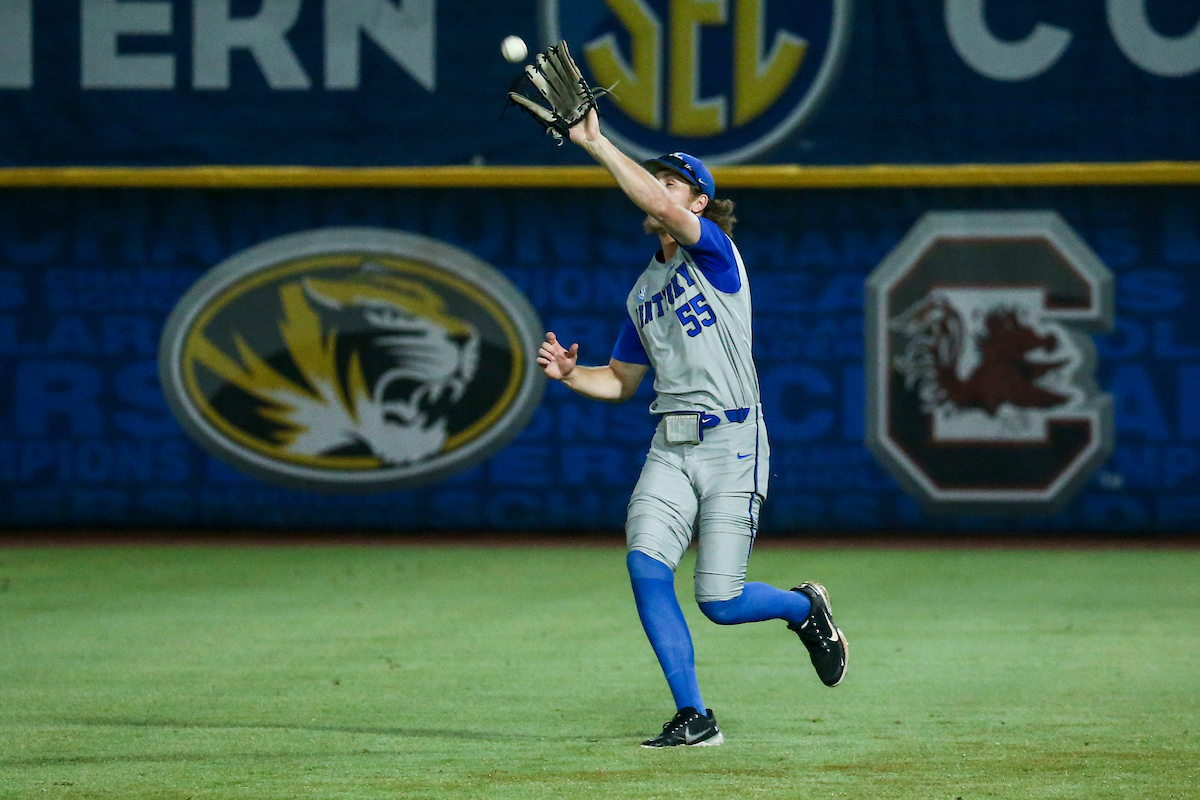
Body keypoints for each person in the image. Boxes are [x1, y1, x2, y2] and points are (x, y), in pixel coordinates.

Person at [535, 107, 847, 748]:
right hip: (669, 447)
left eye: (672, 183)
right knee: (646, 567)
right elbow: (620, 382)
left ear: (699, 201)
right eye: (659, 182)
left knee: (720, 602)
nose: (659, 189)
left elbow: (659, 203)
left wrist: (597, 144)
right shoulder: (642, 292)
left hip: (734, 444)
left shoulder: (715, 254)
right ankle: (694, 716)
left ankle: (803, 608)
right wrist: (572, 374)